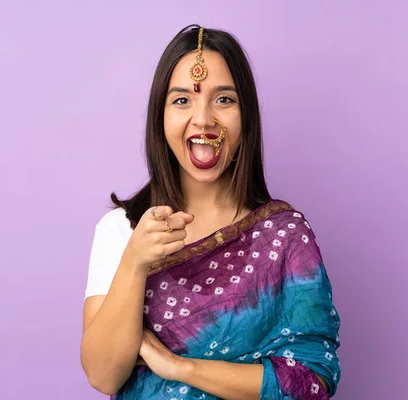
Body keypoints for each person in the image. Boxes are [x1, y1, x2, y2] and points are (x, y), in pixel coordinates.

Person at [80, 24, 341, 399]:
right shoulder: (121, 230)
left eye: (224, 100)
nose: (203, 120)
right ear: (161, 118)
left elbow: (311, 380)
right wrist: (135, 262)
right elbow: (103, 376)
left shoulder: (284, 236)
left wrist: (180, 368)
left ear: (246, 116)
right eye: (182, 100)